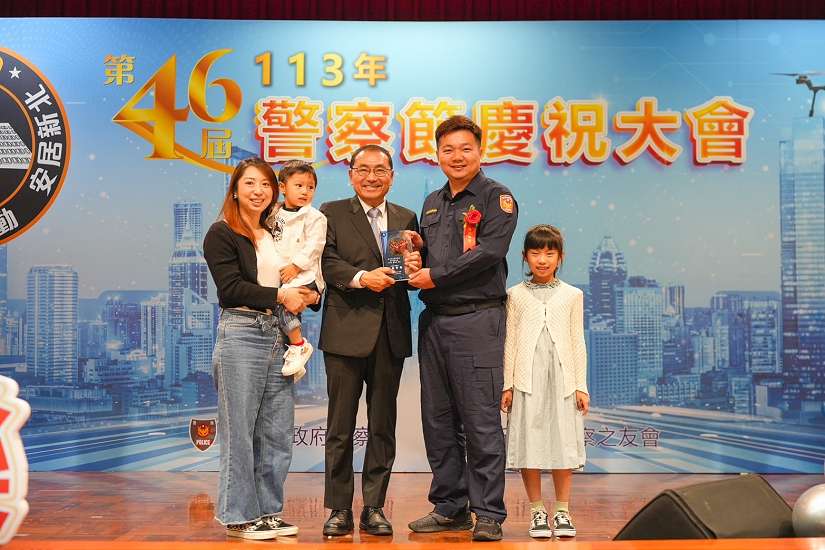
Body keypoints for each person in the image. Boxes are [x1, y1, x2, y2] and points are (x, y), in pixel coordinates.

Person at [408, 115, 518, 542]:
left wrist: (434, 275)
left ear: (480, 151)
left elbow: (489, 252)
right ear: (437, 154)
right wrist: (413, 258)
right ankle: (450, 507)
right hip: (434, 321)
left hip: (477, 319)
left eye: (465, 148)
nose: (456, 156)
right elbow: (428, 255)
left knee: (480, 420)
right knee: (438, 420)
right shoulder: (432, 202)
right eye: (448, 149)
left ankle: (488, 512)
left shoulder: (497, 197)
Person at [203, 157, 319, 540]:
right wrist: (282, 295)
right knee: (240, 432)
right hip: (241, 333)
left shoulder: (273, 232)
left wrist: (309, 293)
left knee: (276, 431)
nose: (258, 191)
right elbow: (231, 288)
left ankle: (268, 511)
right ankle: (238, 516)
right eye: (250, 183)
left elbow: (297, 277)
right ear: (235, 189)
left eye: (266, 184)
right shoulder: (221, 233)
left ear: (275, 190)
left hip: (277, 334)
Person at [318, 144, 420, 537]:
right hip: (345, 332)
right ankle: (339, 508)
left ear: (392, 176)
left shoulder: (405, 217)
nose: (371, 177)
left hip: (390, 335)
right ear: (350, 175)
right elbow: (326, 262)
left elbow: (408, 275)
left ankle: (374, 507)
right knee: (340, 427)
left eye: (380, 170)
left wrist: (414, 267)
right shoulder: (331, 213)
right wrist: (363, 278)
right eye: (363, 169)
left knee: (382, 426)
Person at [500, 224, 589, 539]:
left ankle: (562, 510)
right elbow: (510, 341)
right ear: (524, 256)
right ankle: (537, 510)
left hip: (563, 379)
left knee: (562, 442)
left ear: (560, 257)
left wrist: (580, 385)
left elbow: (577, 341)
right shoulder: (515, 295)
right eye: (536, 252)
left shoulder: (572, 295)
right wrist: (508, 384)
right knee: (530, 443)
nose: (542, 259)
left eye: (549, 253)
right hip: (527, 379)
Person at [266, 159, 327, 378]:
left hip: (304, 274)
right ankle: (295, 358)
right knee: (278, 307)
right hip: (282, 274)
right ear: (283, 187)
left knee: (286, 304)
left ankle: (298, 344)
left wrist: (296, 266)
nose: (305, 192)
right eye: (299, 185)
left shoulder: (315, 217)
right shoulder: (274, 213)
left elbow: (315, 246)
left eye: (310, 187)